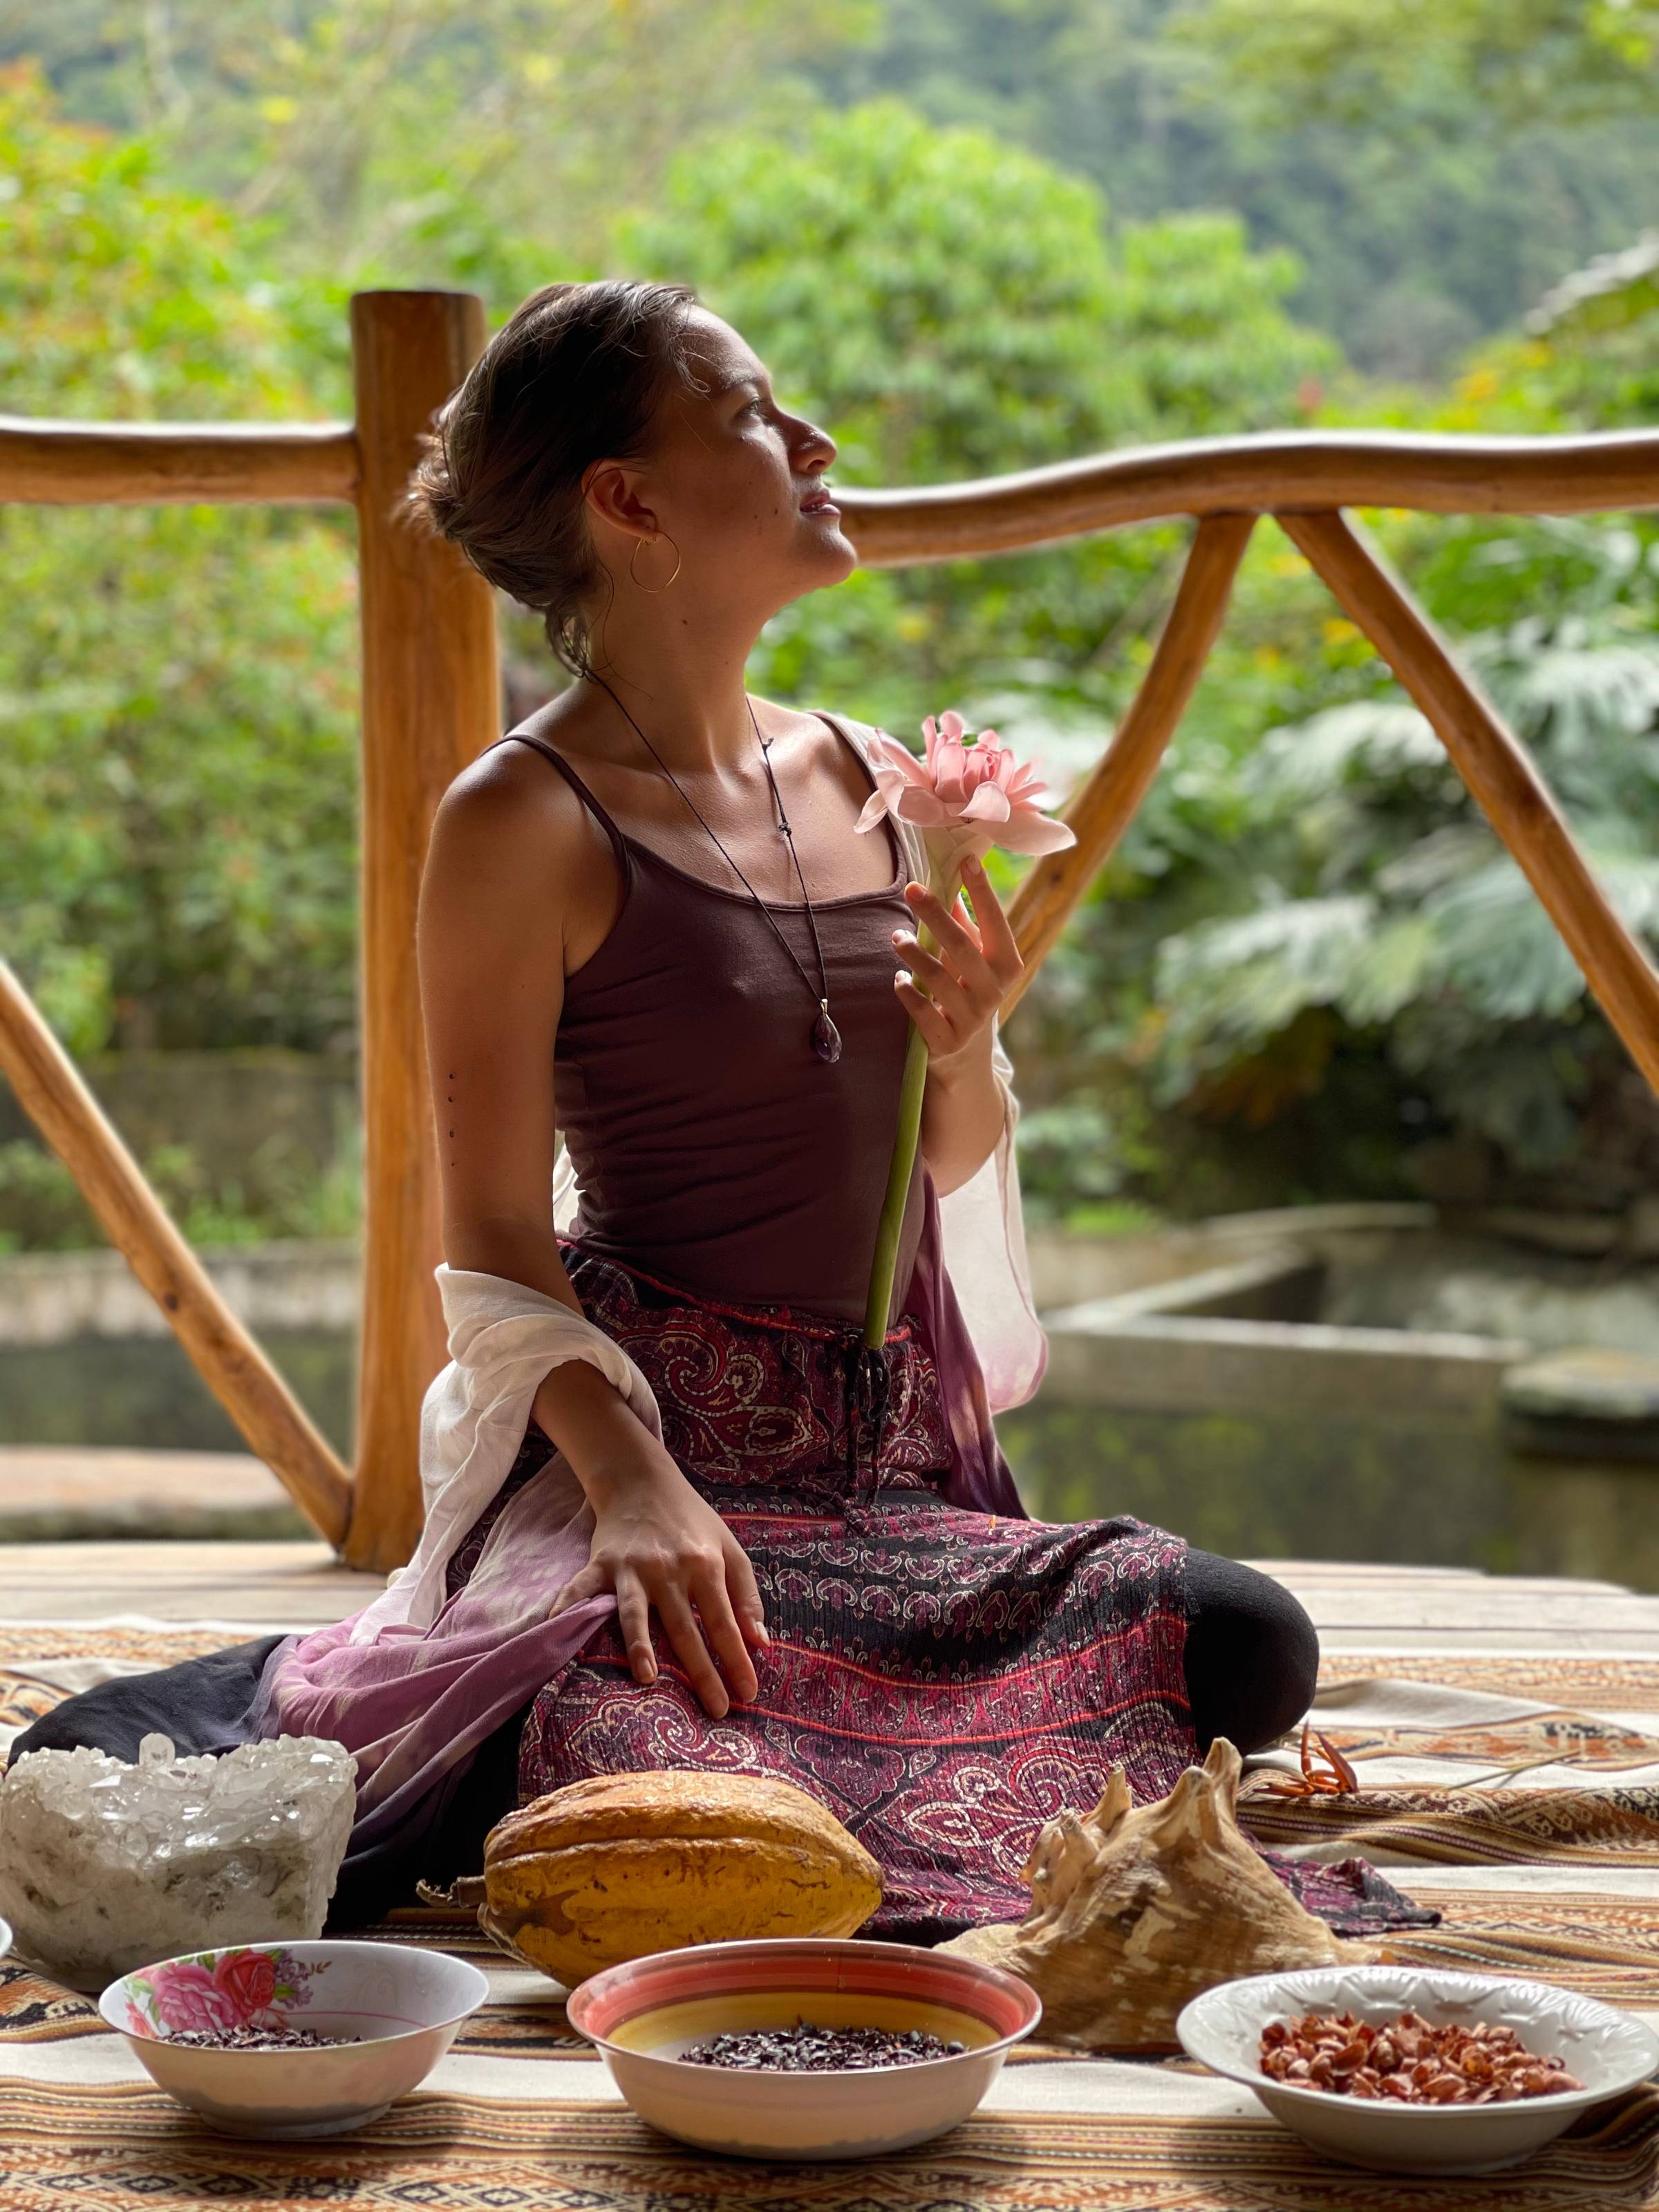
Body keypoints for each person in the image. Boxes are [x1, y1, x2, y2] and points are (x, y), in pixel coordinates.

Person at [20, 279, 1417, 1942]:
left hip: (893, 1488)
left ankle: (733, 1752)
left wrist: (969, 1053)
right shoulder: (518, 821)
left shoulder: (869, 776)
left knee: (1237, 1639)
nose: (814, 439)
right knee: (587, 1737)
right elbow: (484, 1238)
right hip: (663, 1468)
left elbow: (946, 1161)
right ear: (629, 501)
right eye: (755, 412)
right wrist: (628, 1487)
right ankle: (348, 1687)